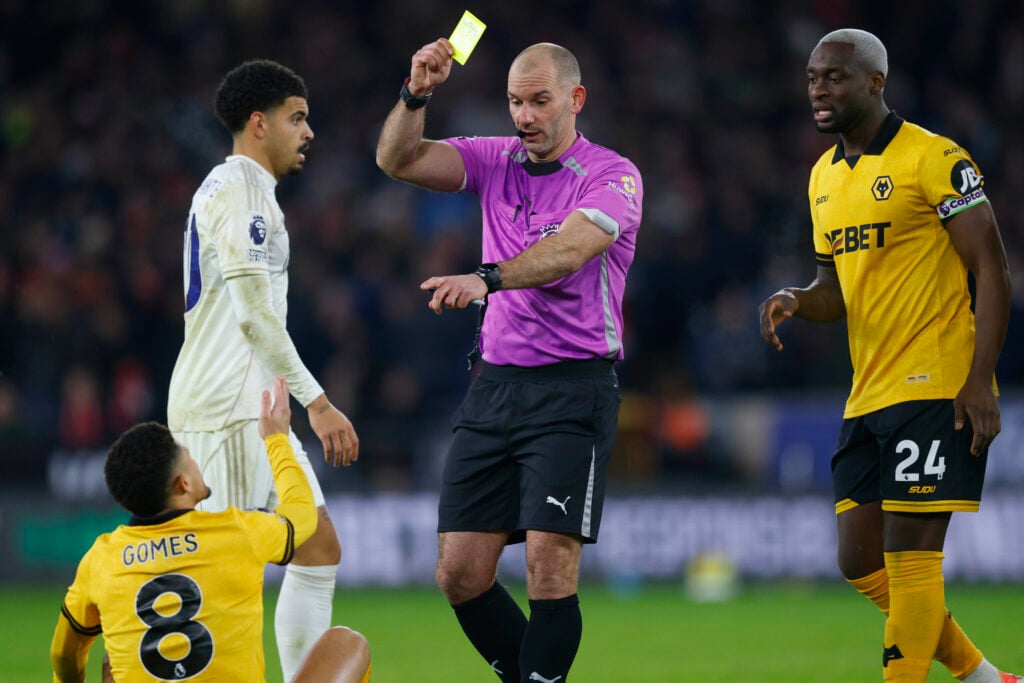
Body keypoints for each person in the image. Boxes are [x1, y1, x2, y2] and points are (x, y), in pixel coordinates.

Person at [376, 39, 642, 682]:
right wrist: (417, 92)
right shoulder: (495, 160)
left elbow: (571, 251)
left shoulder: (614, 175)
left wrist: (486, 279)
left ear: (575, 100)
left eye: (540, 101)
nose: (525, 116)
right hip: (494, 387)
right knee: (459, 573)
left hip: (572, 388)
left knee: (550, 569)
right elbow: (397, 159)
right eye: (516, 102)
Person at [759, 29, 1017, 683]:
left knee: (911, 561)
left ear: (875, 82)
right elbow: (833, 292)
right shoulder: (823, 178)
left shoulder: (934, 158)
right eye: (813, 76)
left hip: (935, 384)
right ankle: (986, 677)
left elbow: (991, 268)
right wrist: (797, 298)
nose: (819, 88)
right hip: (868, 391)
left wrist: (980, 378)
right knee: (858, 560)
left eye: (835, 77)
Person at [166, 59, 360, 680]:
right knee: (213, 582)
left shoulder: (237, 189)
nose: (308, 132)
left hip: (256, 411)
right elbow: (252, 316)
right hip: (226, 411)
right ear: (258, 124)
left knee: (316, 544)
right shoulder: (244, 191)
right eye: (295, 118)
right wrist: (318, 402)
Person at [51, 377, 373, 683]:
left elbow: (63, 654)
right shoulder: (235, 533)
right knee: (346, 643)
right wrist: (277, 438)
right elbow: (303, 515)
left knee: (111, 667)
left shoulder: (101, 559)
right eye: (188, 455)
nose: (194, 458)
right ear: (184, 483)